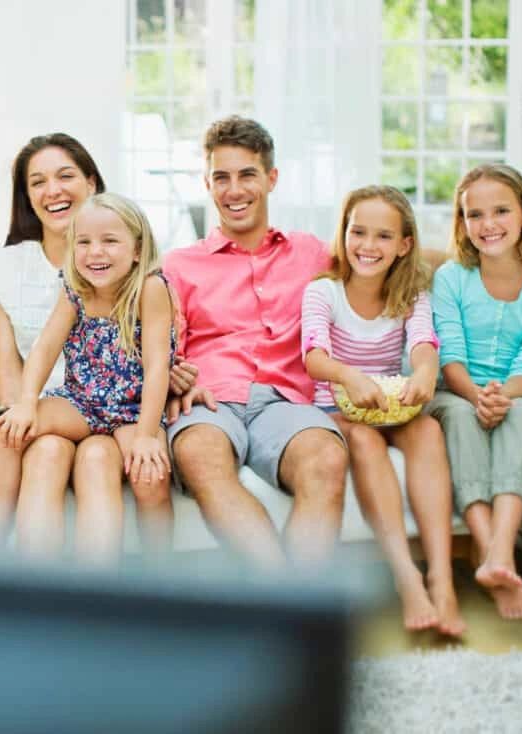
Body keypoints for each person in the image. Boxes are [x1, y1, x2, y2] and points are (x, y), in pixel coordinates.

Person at [0, 133, 195, 560]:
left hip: (133, 410)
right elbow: (43, 347)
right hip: (80, 403)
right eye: (84, 244)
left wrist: (149, 435)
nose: (95, 253)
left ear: (137, 249)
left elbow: (157, 367)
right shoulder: (74, 286)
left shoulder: (150, 289)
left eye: (110, 242)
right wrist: (25, 404)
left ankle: (161, 574)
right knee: (9, 430)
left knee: (149, 474)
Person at [162, 116, 350, 571]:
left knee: (326, 458)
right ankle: (289, 609)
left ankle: (291, 613)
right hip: (209, 398)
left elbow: (380, 258)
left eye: (247, 174)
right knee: (198, 455)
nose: (234, 190)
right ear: (207, 184)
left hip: (284, 400)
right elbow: (162, 350)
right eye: (221, 178)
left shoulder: (310, 252)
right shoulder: (177, 265)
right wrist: (173, 379)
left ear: (271, 178)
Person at [300, 185, 464, 635]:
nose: (368, 246)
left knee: (429, 432)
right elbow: (314, 357)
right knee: (366, 442)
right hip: (339, 407)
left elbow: (424, 345)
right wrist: (349, 377)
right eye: (359, 232)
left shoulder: (412, 294)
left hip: (394, 405)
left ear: (404, 245)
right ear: (344, 234)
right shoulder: (324, 293)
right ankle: (406, 577)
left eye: (383, 237)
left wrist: (426, 373)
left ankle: (442, 580)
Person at [428, 163, 522, 620]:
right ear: (462, 224)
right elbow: (450, 359)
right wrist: (476, 397)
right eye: (475, 215)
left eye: (501, 211)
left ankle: (500, 555)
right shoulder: (451, 277)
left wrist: (502, 397)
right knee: (463, 420)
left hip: (515, 392)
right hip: (457, 390)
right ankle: (495, 560)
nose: (488, 225)